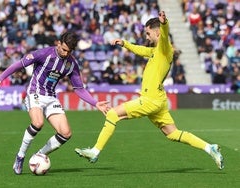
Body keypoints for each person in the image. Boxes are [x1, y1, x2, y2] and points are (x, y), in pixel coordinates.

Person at [75, 11, 224, 170]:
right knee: (172, 133)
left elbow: (165, 35)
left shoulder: (165, 48)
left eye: (148, 33)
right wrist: (124, 43)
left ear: (157, 32)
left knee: (112, 114)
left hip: (150, 99)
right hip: (158, 100)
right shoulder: (155, 51)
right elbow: (140, 50)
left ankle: (95, 151)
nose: (146, 37)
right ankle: (210, 148)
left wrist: (165, 23)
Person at [0, 31, 109, 175]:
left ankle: (38, 155)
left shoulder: (71, 64)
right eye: (63, 49)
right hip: (35, 92)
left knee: (66, 133)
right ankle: (20, 156)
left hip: (51, 97)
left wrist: (95, 103)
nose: (64, 53)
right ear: (58, 43)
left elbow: (79, 89)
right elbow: (19, 65)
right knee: (38, 123)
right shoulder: (44, 54)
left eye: (68, 51)